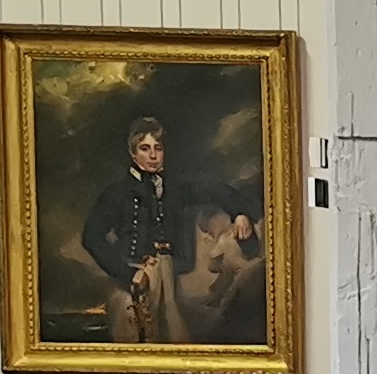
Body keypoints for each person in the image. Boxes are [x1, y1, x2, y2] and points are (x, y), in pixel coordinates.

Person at [80, 118, 257, 344]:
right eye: (145, 149)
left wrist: (239, 212)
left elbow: (214, 188)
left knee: (172, 339)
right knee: (132, 339)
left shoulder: (174, 187)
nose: (153, 155)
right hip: (130, 273)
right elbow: (91, 236)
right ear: (133, 154)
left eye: (158, 148)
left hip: (167, 272)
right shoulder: (117, 193)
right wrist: (128, 273)